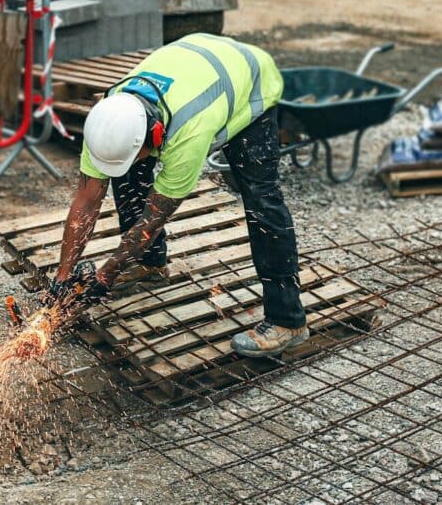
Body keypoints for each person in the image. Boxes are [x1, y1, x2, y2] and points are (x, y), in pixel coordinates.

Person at [52, 33, 307, 357]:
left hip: (250, 80)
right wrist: (63, 275)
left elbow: (153, 219)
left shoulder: (189, 133)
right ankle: (150, 264)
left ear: (156, 136)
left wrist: (105, 276)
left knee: (261, 199)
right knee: (127, 173)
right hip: (197, 63)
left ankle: (288, 320)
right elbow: (86, 199)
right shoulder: (109, 119)